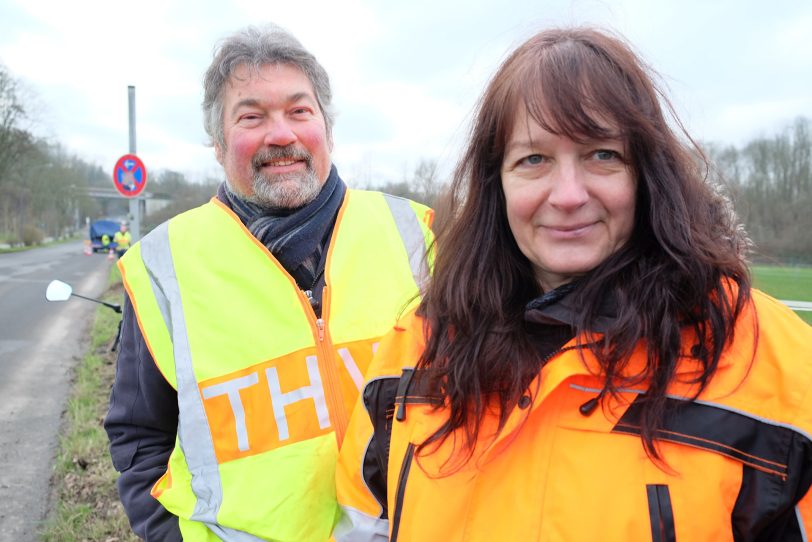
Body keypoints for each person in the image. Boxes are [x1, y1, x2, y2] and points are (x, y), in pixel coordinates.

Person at [335, 27, 812, 541]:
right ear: (496, 184)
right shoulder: (416, 348)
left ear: (647, 172)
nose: (567, 195)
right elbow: (363, 526)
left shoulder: (773, 361)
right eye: (533, 160)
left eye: (601, 154)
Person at [104, 24, 433, 541]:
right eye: (252, 116)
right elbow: (140, 436)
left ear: (326, 125)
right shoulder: (165, 268)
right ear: (217, 143)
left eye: (299, 111)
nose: (281, 135)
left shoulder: (418, 236)